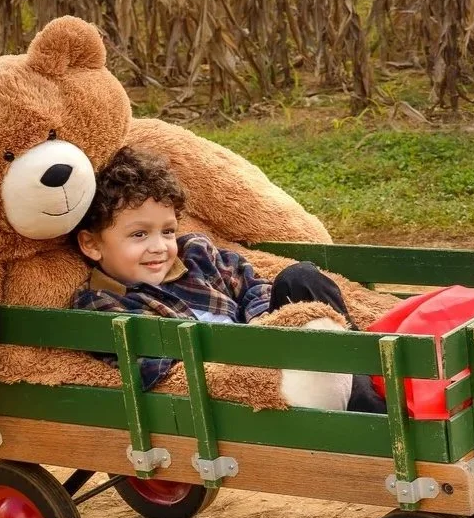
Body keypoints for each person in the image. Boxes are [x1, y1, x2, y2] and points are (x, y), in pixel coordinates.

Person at [69, 146, 382, 411]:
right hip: (239, 385)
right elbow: (157, 367)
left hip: (271, 346)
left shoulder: (197, 255)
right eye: (139, 234)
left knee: (301, 277)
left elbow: (253, 287)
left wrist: (263, 328)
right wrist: (242, 355)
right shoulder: (103, 304)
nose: (160, 247)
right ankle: (369, 410)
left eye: (167, 231)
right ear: (92, 244)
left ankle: (373, 380)